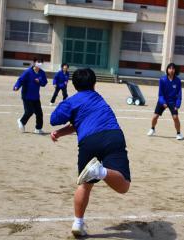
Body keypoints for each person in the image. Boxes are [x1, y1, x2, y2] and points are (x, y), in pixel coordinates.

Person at [50, 68, 131, 237]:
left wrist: (65, 106)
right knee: (123, 186)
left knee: (85, 185)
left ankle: (78, 223)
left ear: (74, 85)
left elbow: (54, 119)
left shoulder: (72, 101)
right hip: (113, 136)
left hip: (89, 142)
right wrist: (61, 132)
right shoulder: (98, 98)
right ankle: (100, 171)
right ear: (94, 84)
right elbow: (81, 122)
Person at [147, 63, 183, 140]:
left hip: (172, 102)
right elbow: (160, 94)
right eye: (170, 68)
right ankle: (152, 129)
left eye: (173, 68)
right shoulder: (162, 80)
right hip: (163, 100)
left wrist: (177, 104)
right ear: (167, 70)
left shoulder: (178, 81)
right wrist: (163, 102)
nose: (171, 70)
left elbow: (179, 94)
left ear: (175, 70)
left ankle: (179, 133)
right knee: (155, 117)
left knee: (175, 117)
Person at [13, 58, 47, 134]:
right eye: (38, 62)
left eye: (41, 62)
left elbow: (44, 83)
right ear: (34, 62)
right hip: (26, 96)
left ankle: (38, 128)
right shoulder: (28, 72)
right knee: (29, 111)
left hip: (36, 97)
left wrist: (40, 81)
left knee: (39, 113)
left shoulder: (42, 73)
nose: (40, 63)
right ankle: (21, 121)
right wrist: (16, 86)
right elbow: (20, 80)